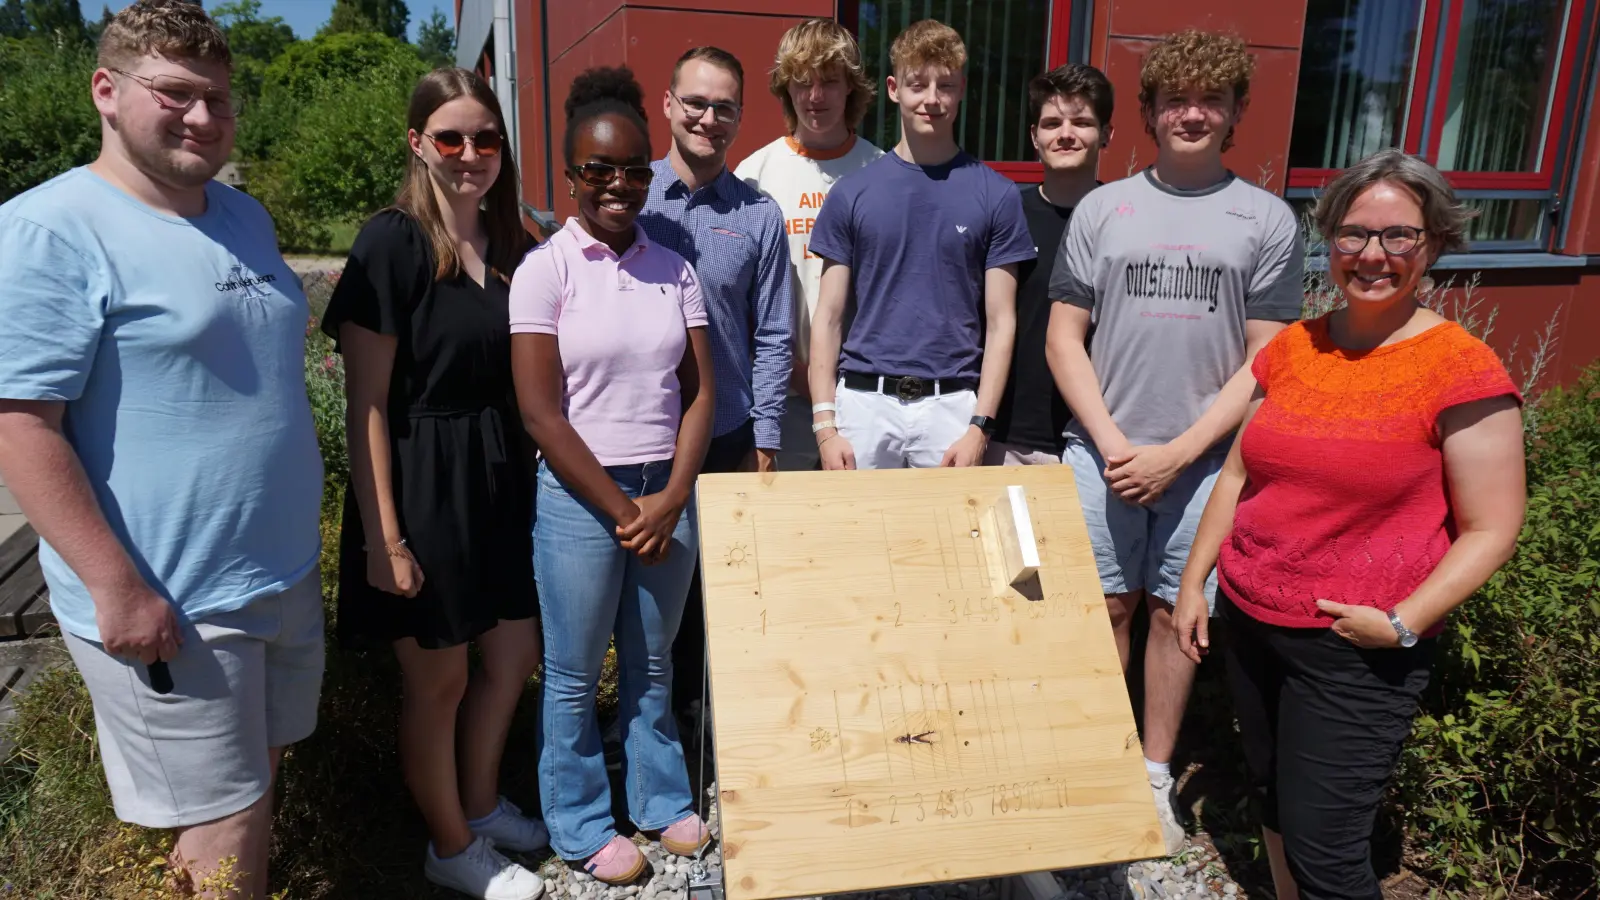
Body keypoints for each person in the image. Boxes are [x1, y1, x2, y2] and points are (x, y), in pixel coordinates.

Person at [0, 1, 322, 896]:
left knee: (253, 784)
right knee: (220, 822)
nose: (204, 116)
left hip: (277, 571)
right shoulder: (51, 229)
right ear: (106, 90)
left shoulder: (240, 216)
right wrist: (115, 584)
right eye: (175, 93)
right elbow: (20, 423)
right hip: (173, 598)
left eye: (219, 98)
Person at [1175, 150, 1526, 900]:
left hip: (1355, 648)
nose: (1373, 255)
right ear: (1327, 240)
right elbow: (1239, 473)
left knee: (1328, 853)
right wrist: (1193, 583)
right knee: (1270, 798)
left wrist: (1401, 623)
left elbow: (1492, 528)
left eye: (1399, 235)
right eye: (1352, 235)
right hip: (1251, 617)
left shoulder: (1461, 370)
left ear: (1433, 243)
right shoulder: (1296, 347)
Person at [1044, 29, 1304, 853]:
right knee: (1101, 607)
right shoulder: (1102, 208)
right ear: (1151, 112)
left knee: (1173, 612)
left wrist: (1181, 451)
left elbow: (1268, 358)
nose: (1193, 113)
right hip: (1102, 450)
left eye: (1211, 100)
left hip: (1209, 464)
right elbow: (1062, 339)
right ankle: (1089, 756)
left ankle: (1152, 774)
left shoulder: (1264, 219)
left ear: (1235, 114)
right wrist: (1118, 443)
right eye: (1176, 100)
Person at [322, 68, 544, 900]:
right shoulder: (391, 241)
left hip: (496, 480)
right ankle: (449, 848)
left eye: (486, 139)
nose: (470, 155)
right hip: (420, 483)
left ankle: (479, 806)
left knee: (515, 650)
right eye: (450, 138)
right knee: (440, 679)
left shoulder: (512, 238)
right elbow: (367, 403)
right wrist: (385, 539)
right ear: (418, 143)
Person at [512, 67, 716, 885]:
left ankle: (661, 801)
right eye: (601, 170)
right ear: (571, 176)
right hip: (578, 497)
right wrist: (623, 508)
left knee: (654, 661)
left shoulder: (676, 269)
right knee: (571, 671)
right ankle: (580, 822)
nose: (622, 186)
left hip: (667, 489)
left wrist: (667, 498)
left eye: (636, 170)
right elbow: (540, 412)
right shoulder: (547, 270)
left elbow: (701, 395)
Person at [638, 45, 791, 733]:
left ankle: (702, 729)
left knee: (714, 593)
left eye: (723, 107)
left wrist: (764, 438)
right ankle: (639, 723)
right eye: (695, 102)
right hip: (637, 432)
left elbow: (774, 334)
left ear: (739, 118)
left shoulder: (758, 216)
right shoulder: (626, 197)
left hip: (725, 431)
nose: (707, 117)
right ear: (667, 104)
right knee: (640, 591)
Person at [808, 19, 1034, 470]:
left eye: (945, 85)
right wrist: (825, 426)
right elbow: (829, 316)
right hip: (863, 405)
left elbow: (1001, 322)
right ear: (894, 89)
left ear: (961, 90)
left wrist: (979, 427)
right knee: (860, 538)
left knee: (950, 541)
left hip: (951, 409)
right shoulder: (852, 193)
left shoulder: (997, 194)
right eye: (918, 84)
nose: (932, 99)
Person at [735, 17, 884, 472]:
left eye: (829, 83)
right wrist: (798, 374)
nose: (815, 97)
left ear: (851, 89)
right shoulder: (754, 176)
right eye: (802, 83)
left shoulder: (880, 171)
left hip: (864, 395)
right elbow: (736, 296)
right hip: (784, 396)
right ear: (786, 89)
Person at [986, 63, 1113, 466]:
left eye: (1082, 122)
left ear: (1107, 134)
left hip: (1099, 439)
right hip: (1008, 437)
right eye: (1052, 123)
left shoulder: (1126, 220)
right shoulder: (1006, 217)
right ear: (1034, 137)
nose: (1066, 134)